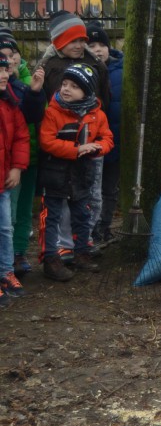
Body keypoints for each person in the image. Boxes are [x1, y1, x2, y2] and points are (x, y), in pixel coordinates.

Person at [38, 63, 113, 282]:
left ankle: (82, 252)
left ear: (87, 91)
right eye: (64, 84)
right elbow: (47, 141)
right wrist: (76, 149)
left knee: (82, 213)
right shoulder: (53, 112)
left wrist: (98, 148)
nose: (66, 89)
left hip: (83, 173)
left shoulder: (97, 114)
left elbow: (107, 138)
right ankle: (50, 258)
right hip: (55, 172)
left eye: (74, 86)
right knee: (51, 216)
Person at [0, 32, 46, 277]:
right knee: (8, 212)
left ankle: (17, 254)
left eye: (12, 55)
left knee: (24, 209)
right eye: (3, 57)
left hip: (28, 157)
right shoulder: (6, 88)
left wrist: (36, 93)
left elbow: (32, 116)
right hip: (6, 164)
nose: (9, 61)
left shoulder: (20, 86)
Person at [85, 24, 122, 246]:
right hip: (92, 141)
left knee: (110, 187)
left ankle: (105, 226)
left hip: (116, 138)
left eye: (102, 45)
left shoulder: (121, 69)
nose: (98, 50)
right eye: (92, 45)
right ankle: (91, 228)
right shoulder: (85, 71)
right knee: (92, 189)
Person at [0, 57, 33, 301]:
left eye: (4, 69)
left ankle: (6, 272)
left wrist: (17, 168)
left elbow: (21, 136)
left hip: (4, 181)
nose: (4, 74)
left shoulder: (10, 103)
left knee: (5, 228)